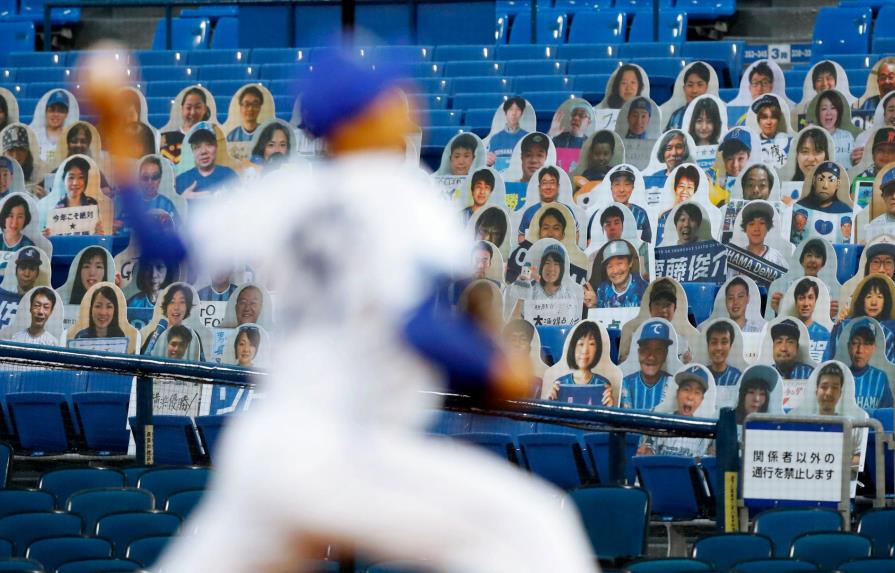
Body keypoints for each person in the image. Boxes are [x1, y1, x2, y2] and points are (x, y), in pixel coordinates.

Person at [152, 50, 597, 573]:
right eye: (391, 97)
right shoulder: (399, 194)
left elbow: (164, 251)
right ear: (361, 117)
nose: (407, 108)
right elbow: (415, 322)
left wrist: (115, 136)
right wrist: (494, 368)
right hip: (340, 448)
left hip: (265, 449)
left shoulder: (286, 190)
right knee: (534, 529)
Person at [636, 365, 714, 457]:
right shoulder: (659, 423)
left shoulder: (704, 433)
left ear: (701, 399)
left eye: (697, 392)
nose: (690, 397)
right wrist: (644, 451)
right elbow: (646, 456)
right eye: (686, 389)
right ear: (677, 393)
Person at [548, 321, 612, 402]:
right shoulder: (560, 384)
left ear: (598, 349)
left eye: (591, 344)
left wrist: (610, 407)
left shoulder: (603, 384)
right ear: (573, 348)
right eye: (581, 344)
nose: (585, 350)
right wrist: (550, 403)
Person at [620, 319, 675, 411]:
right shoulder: (626, 383)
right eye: (646, 350)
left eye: (658, 350)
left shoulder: (673, 384)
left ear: (665, 355)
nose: (651, 357)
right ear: (639, 353)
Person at [175, 125, 238, 200]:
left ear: (216, 147)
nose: (203, 151)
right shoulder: (181, 180)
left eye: (209, 145)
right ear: (192, 151)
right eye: (197, 147)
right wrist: (181, 200)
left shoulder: (229, 175)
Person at [845, 318, 893, 410]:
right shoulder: (840, 376)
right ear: (848, 346)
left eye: (866, 344)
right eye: (855, 343)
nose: (860, 350)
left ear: (873, 348)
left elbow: (886, 416)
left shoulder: (880, 378)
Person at [517, 166, 572, 241]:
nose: (548, 187)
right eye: (544, 183)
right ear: (539, 187)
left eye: (552, 183)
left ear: (558, 187)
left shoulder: (567, 211)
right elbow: (521, 236)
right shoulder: (529, 212)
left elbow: (575, 234)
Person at [590, 240, 648, 308]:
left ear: (630, 262)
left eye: (619, 263)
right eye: (610, 266)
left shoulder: (643, 286)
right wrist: (594, 305)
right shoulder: (602, 290)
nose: (615, 271)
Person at [161, 87, 211, 163]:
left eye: (197, 107)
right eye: (188, 107)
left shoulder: (212, 139)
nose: (193, 112)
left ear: (204, 109)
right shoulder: (168, 139)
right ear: (182, 109)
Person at [656, 164, 700, 245]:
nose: (684, 191)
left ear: (694, 191)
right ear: (675, 188)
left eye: (689, 187)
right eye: (681, 186)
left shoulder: (698, 216)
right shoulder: (664, 216)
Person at [608, 166, 652, 243]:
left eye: (627, 184)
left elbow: (646, 245)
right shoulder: (601, 213)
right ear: (611, 187)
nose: (622, 189)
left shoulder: (640, 214)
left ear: (632, 187)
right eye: (617, 184)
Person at [706, 320, 742, 409]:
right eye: (714, 342)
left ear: (730, 346)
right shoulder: (700, 375)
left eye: (724, 342)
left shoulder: (737, 378)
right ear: (708, 346)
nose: (719, 348)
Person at [738, 201, 787, 267]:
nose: (756, 229)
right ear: (745, 228)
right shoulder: (737, 256)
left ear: (768, 226)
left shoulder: (776, 257)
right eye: (751, 224)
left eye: (762, 223)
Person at [136, 156, 179, 225]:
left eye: (155, 177)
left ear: (160, 179)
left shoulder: (167, 205)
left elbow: (178, 229)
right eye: (145, 177)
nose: (150, 182)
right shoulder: (132, 203)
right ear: (139, 179)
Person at [667, 63, 711, 130]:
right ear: (684, 88)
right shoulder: (676, 116)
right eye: (690, 85)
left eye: (700, 85)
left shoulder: (715, 114)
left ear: (706, 88)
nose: (694, 90)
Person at [486, 97, 528, 167]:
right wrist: (487, 161)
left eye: (518, 109)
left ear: (522, 113)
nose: (514, 113)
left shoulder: (527, 137)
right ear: (505, 113)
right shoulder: (495, 138)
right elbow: (488, 164)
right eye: (511, 109)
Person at [815, 90, 853, 165]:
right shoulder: (812, 137)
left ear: (838, 111)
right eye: (824, 109)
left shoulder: (847, 136)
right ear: (818, 113)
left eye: (833, 108)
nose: (828, 113)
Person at [752, 94, 790, 167]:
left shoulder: (789, 142)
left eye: (773, 117)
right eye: (764, 117)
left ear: (778, 120)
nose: (769, 122)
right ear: (759, 121)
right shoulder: (752, 143)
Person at [792, 278, 830, 348]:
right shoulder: (787, 331)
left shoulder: (824, 333)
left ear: (815, 301)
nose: (806, 303)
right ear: (796, 302)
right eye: (801, 298)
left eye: (810, 297)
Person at [36, 90, 70, 162]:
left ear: (66, 114)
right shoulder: (35, 135)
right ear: (45, 112)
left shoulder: (70, 137)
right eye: (52, 110)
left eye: (61, 111)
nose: (56, 114)